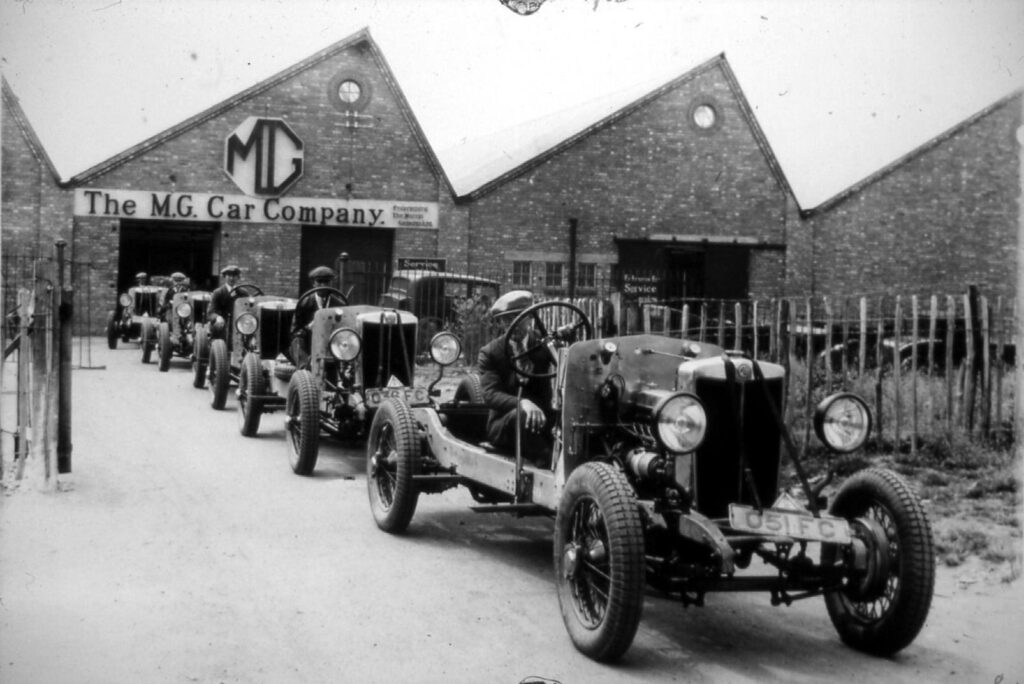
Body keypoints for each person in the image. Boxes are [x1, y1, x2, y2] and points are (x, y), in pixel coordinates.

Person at [476, 290, 555, 468]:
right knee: (523, 415)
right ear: (501, 323)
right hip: (505, 424)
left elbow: (566, 367)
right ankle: (546, 459)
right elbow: (490, 394)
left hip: (543, 419)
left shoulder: (545, 345)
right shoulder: (490, 352)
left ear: (530, 317)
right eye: (507, 320)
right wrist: (521, 403)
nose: (513, 325)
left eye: (518, 318)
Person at [289, 265, 346, 368]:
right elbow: (294, 332)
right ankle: (305, 368)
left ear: (331, 283)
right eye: (319, 281)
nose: (323, 285)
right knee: (296, 341)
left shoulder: (339, 305)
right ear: (313, 284)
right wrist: (308, 327)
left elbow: (345, 331)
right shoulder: (304, 304)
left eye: (327, 282)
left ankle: (343, 370)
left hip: (331, 343)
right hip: (308, 344)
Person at [208, 265, 241, 338]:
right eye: (229, 275)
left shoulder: (243, 293)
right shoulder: (218, 293)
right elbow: (210, 313)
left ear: (238, 277)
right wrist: (218, 317)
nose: (231, 278)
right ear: (224, 277)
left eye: (234, 275)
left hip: (240, 326)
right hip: (223, 327)